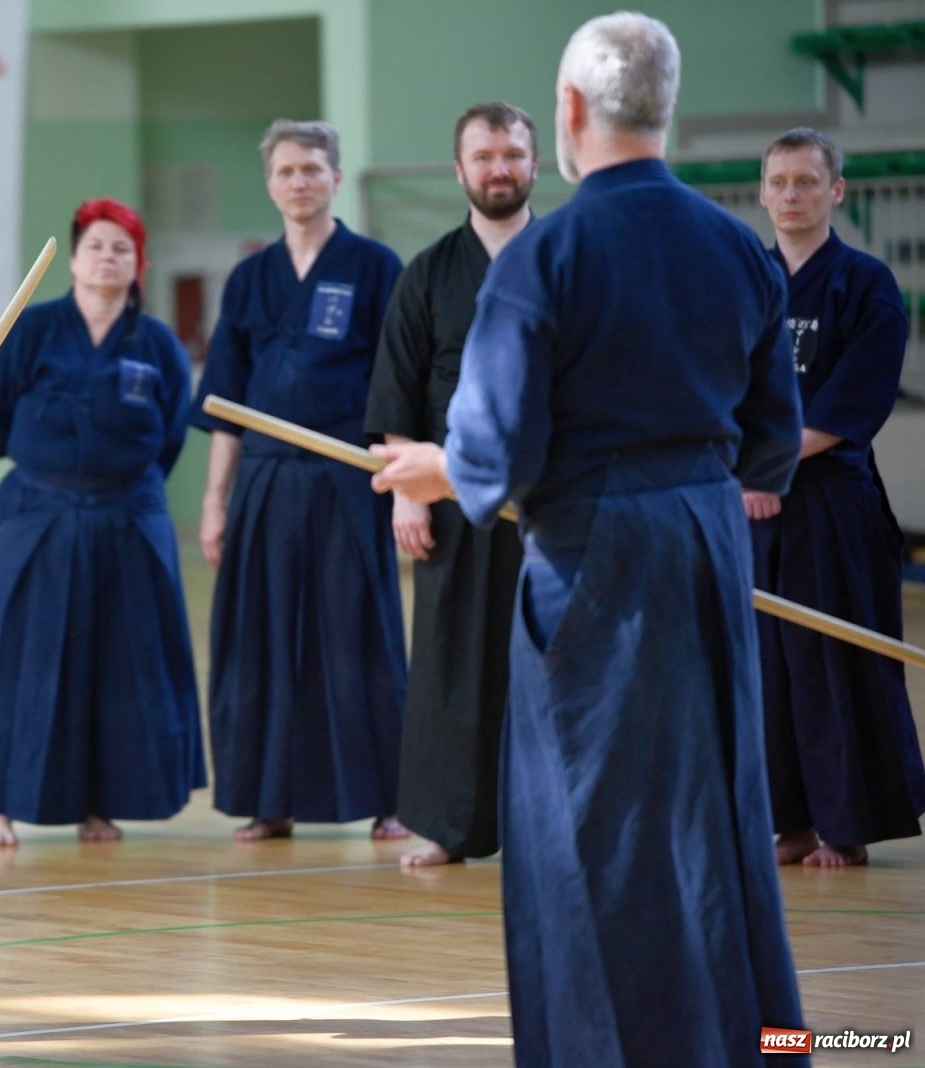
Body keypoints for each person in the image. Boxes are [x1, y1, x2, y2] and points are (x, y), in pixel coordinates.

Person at [370, 14, 808, 1065]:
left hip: (594, 565)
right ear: (667, 108)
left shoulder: (546, 256)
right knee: (715, 811)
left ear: (566, 114)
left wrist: (442, 469)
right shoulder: (737, 247)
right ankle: (763, 1043)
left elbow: (500, 452)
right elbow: (772, 442)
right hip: (705, 547)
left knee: (587, 825)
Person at [192, 120, 407, 842]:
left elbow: (399, 385)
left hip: (349, 478)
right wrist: (215, 500)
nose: (299, 182)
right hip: (265, 483)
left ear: (336, 179)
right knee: (263, 638)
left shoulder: (375, 267)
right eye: (286, 171)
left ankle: (387, 797)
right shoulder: (251, 278)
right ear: (271, 183)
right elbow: (225, 397)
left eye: (312, 169)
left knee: (356, 634)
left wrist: (401, 478)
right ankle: (268, 798)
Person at [0, 198, 204, 848]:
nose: (108, 257)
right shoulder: (31, 329)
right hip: (40, 518)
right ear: (73, 260)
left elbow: (172, 434)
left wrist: (114, 479)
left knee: (121, 664)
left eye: (122, 249)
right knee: (27, 658)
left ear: (139, 265)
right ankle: (1, 805)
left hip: (129, 517)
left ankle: (100, 805)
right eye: (97, 246)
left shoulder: (156, 344)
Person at [362, 102, 535, 868]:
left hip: (550, 498)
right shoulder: (427, 273)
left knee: (552, 663)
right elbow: (397, 392)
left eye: (512, 153)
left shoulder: (567, 259)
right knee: (450, 662)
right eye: (485, 156)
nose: (499, 168)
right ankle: (448, 824)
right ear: (459, 170)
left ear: (534, 161)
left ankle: (549, 823)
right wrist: (407, 489)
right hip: (452, 497)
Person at [751, 128, 925, 868]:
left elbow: (858, 395)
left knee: (830, 661)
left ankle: (845, 825)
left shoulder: (866, 282)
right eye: (780, 182)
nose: (792, 195)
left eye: (806, 182)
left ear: (836, 191)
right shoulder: (742, 282)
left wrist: (768, 465)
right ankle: (787, 822)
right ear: (763, 193)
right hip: (750, 504)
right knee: (766, 665)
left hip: (829, 501)